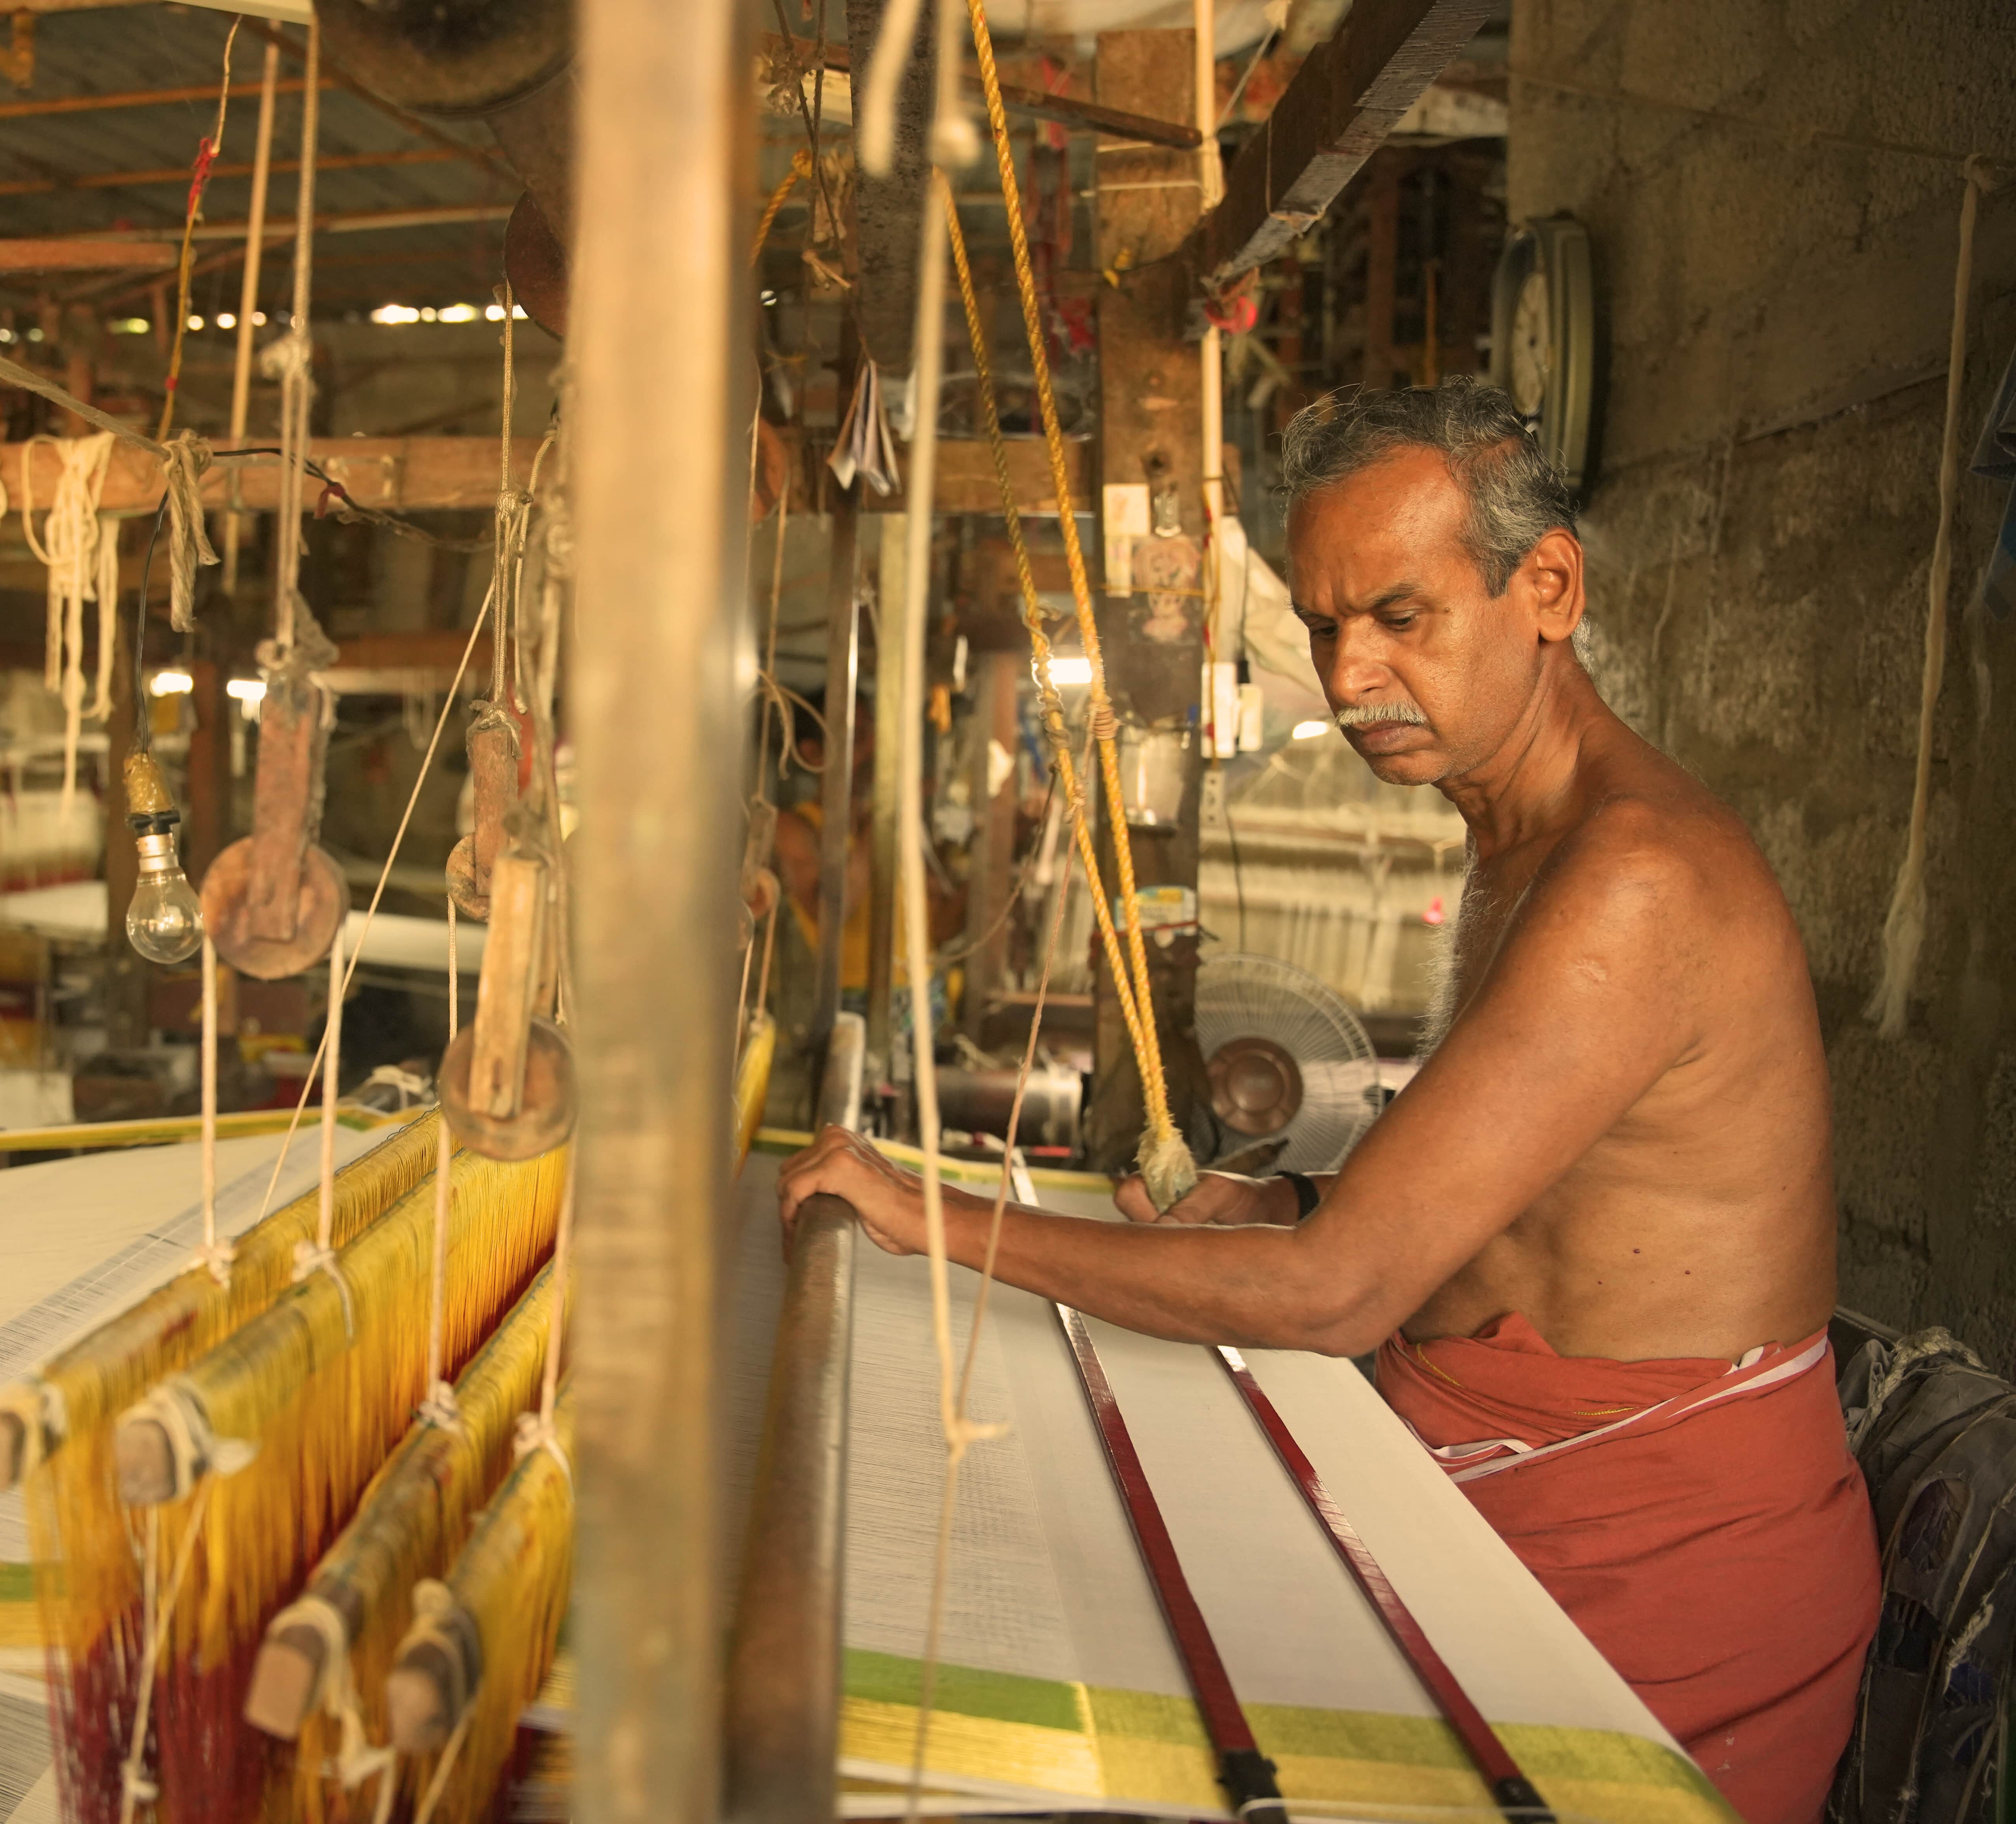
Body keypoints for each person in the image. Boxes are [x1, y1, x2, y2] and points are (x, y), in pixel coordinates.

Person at [778, 378, 1880, 1824]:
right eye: (1321, 624)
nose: (1351, 675)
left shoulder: (1632, 881)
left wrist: (933, 1219)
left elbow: (1336, 1299)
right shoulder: (1527, 849)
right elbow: (1520, 1193)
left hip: (1651, 1569)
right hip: (1502, 1500)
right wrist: (1297, 1196)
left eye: (1401, 619)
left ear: (1547, 588)